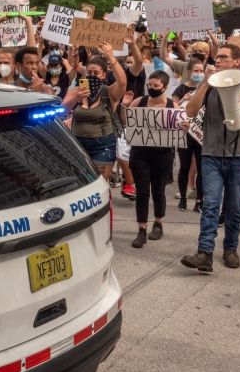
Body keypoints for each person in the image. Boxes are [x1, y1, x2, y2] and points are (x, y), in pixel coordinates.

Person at [180, 44, 240, 271]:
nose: (217, 61)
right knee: (210, 204)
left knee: (233, 207)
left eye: (223, 57)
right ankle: (205, 252)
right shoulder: (208, 84)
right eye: (217, 57)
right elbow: (190, 111)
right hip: (210, 154)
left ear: (237, 61)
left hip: (238, 156)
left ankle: (230, 249)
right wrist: (205, 84)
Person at [125, 70, 176, 247]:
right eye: (150, 85)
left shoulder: (172, 105)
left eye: (156, 86)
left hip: (162, 155)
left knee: (158, 190)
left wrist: (183, 126)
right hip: (140, 153)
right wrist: (125, 107)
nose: (152, 88)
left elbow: (179, 127)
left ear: (165, 87)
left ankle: (158, 223)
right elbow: (127, 122)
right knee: (142, 192)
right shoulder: (139, 102)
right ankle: (141, 229)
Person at [63, 44, 128, 181]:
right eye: (89, 73)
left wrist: (111, 57)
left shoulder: (108, 92)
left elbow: (122, 83)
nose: (92, 76)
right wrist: (76, 98)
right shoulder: (77, 91)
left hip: (102, 146)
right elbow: (61, 112)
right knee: (81, 183)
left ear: (104, 75)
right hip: (78, 144)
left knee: (100, 183)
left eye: (96, 73)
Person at [173, 60, 205, 212]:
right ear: (189, 72)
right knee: (184, 167)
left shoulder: (206, 89)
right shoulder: (181, 89)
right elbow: (172, 110)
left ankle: (199, 201)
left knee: (201, 168)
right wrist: (182, 100)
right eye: (196, 71)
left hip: (200, 135)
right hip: (184, 133)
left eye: (201, 70)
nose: (199, 73)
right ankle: (183, 199)